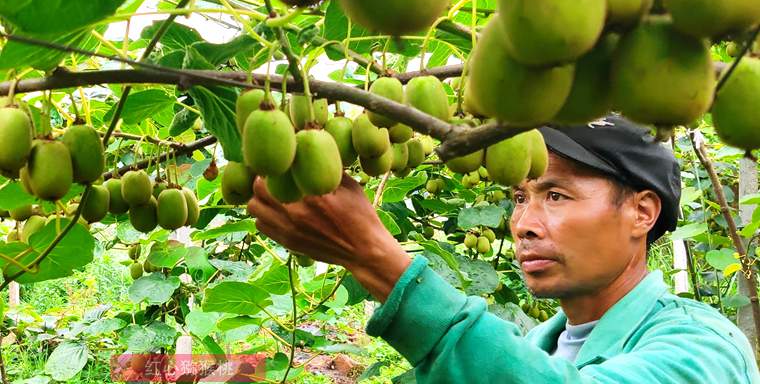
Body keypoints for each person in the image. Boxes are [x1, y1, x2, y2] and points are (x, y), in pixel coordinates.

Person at [248, 114, 760, 383]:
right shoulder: (537, 343)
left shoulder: (704, 347)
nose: (523, 224)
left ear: (642, 213)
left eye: (556, 195)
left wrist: (379, 262)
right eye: (520, 196)